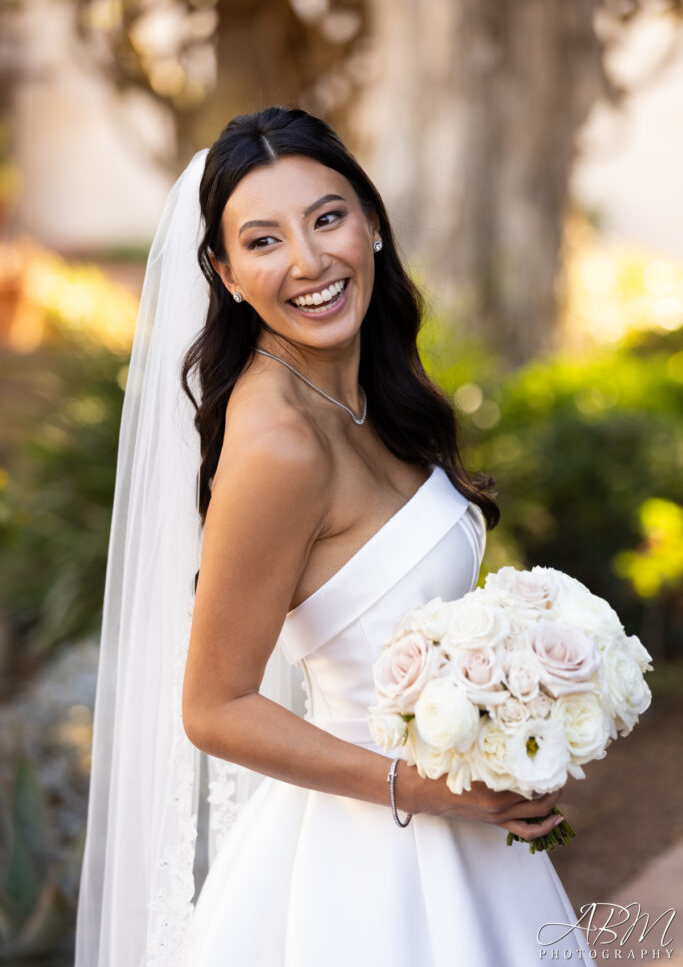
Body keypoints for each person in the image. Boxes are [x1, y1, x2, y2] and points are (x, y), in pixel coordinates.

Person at [75, 106, 591, 966]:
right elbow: (214, 707)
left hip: (466, 827)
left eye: (327, 217)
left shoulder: (369, 393)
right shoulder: (279, 445)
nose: (310, 263)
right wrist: (423, 787)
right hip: (366, 869)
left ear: (372, 223)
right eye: (263, 240)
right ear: (225, 272)